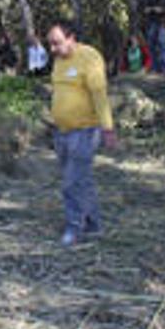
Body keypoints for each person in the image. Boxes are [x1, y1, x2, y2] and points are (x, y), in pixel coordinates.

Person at [46, 20, 116, 246]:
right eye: (50, 44)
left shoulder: (90, 57)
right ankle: (93, 224)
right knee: (82, 180)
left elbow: (99, 94)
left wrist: (108, 128)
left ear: (71, 38)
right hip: (62, 132)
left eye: (56, 43)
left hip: (84, 131)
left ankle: (74, 229)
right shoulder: (58, 61)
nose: (52, 49)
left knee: (71, 182)